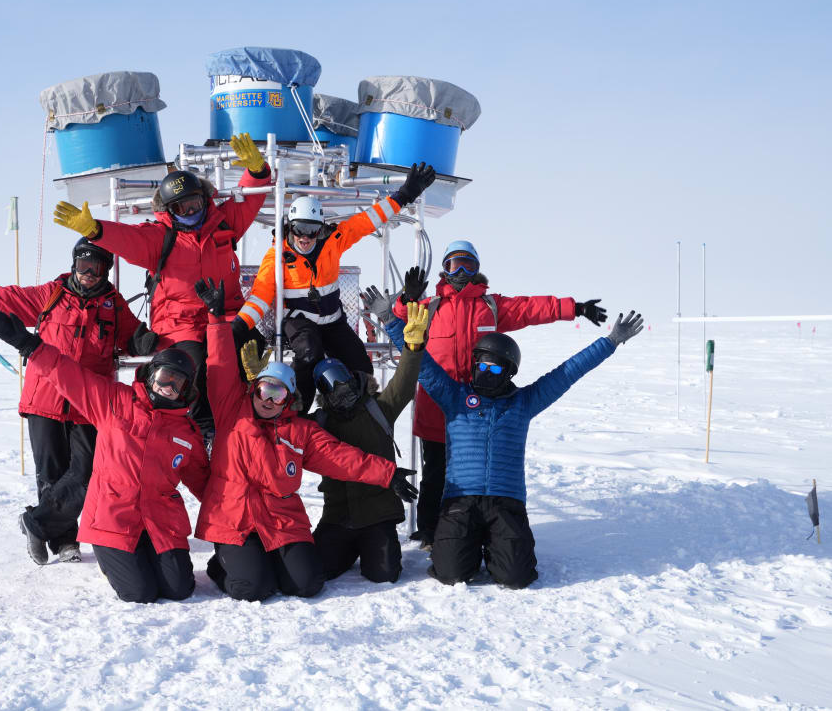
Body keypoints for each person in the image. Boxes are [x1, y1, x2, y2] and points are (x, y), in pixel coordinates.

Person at [0, 237, 142, 565]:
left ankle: (37, 522)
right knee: (51, 472)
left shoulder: (113, 306)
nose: (88, 273)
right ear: (73, 264)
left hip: (89, 403)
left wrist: (145, 339)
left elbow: (133, 338)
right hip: (45, 396)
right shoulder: (51, 295)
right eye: (83, 265)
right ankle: (64, 542)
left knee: (88, 471)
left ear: (106, 270)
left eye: (97, 267)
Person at [191, 279, 417, 602]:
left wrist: (387, 473)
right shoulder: (232, 410)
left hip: (280, 520)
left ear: (289, 399)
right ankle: (222, 566)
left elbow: (342, 458)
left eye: (278, 394)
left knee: (307, 584)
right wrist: (216, 320)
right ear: (254, 389)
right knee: (254, 588)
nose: (268, 400)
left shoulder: (300, 431)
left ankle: (262, 561)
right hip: (235, 518)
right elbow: (221, 366)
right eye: (264, 390)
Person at [387, 306, 643, 588]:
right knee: (450, 573)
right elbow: (423, 365)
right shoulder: (455, 397)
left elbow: (567, 373)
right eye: (481, 365)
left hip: (505, 502)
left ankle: (494, 547)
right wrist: (390, 321)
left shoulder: (524, 402)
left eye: (494, 368)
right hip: (460, 501)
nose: (486, 372)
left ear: (508, 372)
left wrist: (610, 342)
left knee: (516, 577)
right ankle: (468, 548)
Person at [387, 242, 607, 548]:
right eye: (454, 265)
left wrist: (576, 308)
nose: (461, 272)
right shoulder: (431, 306)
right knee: (435, 471)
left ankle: (470, 526)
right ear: (444, 269)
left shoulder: (491, 306)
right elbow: (399, 318)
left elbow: (531, 308)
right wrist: (408, 297)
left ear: (477, 269)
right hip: (437, 403)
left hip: (477, 408)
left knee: (471, 470)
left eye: (468, 265)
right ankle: (429, 530)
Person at [52, 133, 272, 433]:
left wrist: (258, 172)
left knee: (250, 354)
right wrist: (95, 229)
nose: (192, 213)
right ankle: (204, 431)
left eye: (195, 204)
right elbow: (129, 240)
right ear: (170, 212)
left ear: (205, 200)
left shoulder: (222, 223)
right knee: (194, 367)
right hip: (180, 322)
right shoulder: (161, 238)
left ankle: (247, 423)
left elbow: (251, 198)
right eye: (182, 208)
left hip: (226, 313)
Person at [0, 311, 209, 603]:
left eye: (176, 383)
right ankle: (117, 558)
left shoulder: (187, 432)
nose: (166, 387)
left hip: (160, 521)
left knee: (180, 590)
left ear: (186, 390)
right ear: (150, 374)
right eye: (163, 377)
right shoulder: (116, 401)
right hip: (114, 518)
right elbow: (67, 374)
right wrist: (29, 344)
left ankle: (147, 552)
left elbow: (207, 485)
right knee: (138, 593)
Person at [236, 162, 438, 410]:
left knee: (361, 365)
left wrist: (405, 194)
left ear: (320, 229)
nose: (305, 237)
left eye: (312, 230)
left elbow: (367, 221)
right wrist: (239, 326)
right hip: (299, 321)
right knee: (310, 355)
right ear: (290, 227)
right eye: (300, 228)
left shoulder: (333, 242)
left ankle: (360, 413)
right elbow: (261, 296)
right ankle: (297, 413)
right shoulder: (277, 256)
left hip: (333, 321)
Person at [306, 303, 428, 584]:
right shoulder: (320, 423)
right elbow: (279, 420)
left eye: (340, 379)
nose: (339, 388)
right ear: (322, 392)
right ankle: (347, 550)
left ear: (352, 378)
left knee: (383, 574)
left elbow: (405, 384)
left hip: (378, 515)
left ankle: (371, 550)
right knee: (316, 571)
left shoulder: (379, 408)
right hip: (338, 517)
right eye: (328, 383)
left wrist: (412, 348)